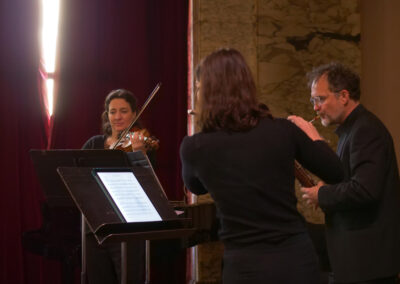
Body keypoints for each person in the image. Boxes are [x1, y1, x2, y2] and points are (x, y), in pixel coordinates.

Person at [179, 48, 344, 284]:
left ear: (206, 93)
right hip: (296, 261)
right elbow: (336, 172)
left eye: (197, 88)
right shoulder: (282, 131)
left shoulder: (194, 148)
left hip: (245, 267)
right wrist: (313, 135)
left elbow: (196, 187)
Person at [288, 62, 400, 284]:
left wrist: (322, 195)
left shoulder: (365, 130)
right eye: (313, 101)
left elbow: (366, 190)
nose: (316, 108)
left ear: (344, 96)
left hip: (369, 264)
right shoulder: (353, 129)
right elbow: (350, 180)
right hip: (360, 261)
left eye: (320, 99)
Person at [82, 89, 158, 284]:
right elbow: (79, 179)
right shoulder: (94, 144)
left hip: (129, 227)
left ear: (134, 113)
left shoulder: (141, 143)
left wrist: (139, 154)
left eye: (123, 111)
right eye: (112, 111)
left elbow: (150, 184)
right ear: (106, 115)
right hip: (96, 228)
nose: (117, 117)